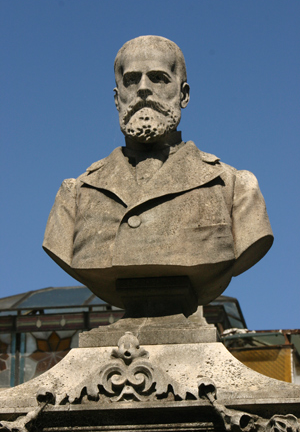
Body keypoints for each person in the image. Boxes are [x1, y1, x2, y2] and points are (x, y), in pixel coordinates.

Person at [43, 36, 273, 309]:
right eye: (131, 80)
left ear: (183, 95)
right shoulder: (75, 195)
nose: (143, 89)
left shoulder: (235, 188)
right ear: (118, 99)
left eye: (158, 78)